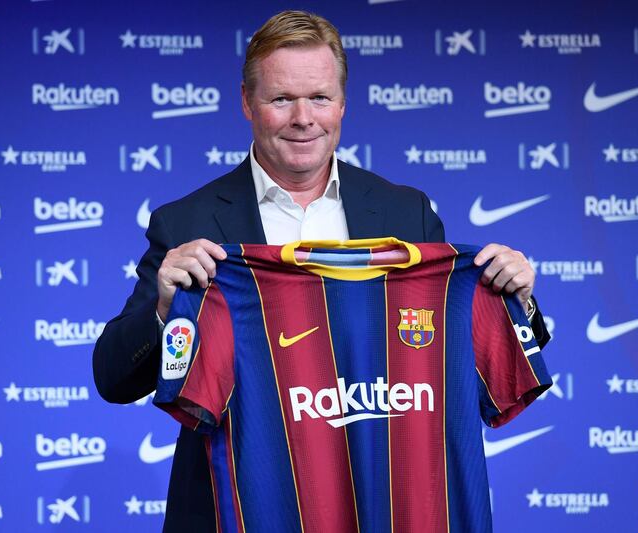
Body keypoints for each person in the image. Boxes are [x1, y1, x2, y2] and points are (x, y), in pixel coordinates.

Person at [93, 10, 550, 532]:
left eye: (319, 98)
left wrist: (518, 298)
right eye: (281, 99)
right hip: (237, 510)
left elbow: (470, 349)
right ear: (247, 102)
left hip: (385, 503)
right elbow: (113, 377)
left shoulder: (406, 213)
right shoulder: (188, 223)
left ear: (343, 104)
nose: (303, 118)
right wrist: (163, 308)